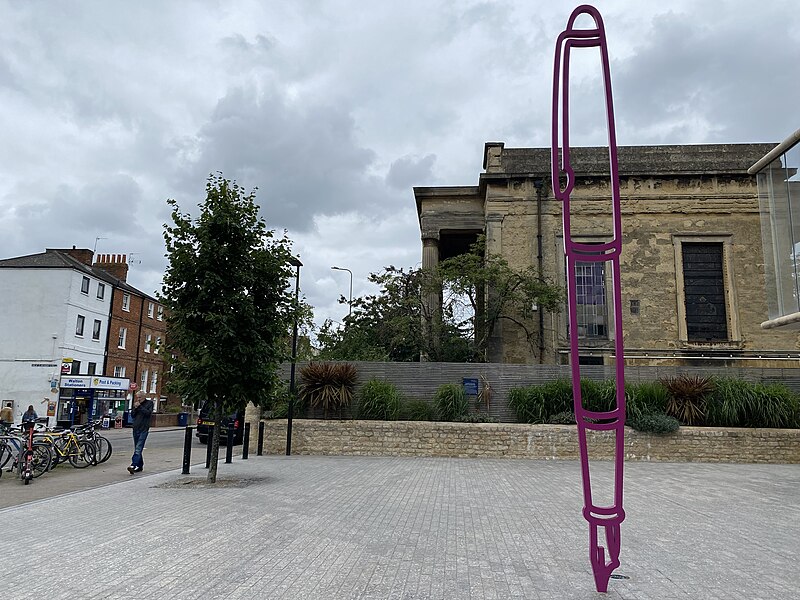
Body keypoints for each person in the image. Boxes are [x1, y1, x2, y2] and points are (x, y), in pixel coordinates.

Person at [128, 391, 154, 474]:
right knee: (137, 448)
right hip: (136, 428)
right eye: (137, 397)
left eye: (139, 397)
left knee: (139, 447)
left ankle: (133, 464)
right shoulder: (137, 404)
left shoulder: (149, 403)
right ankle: (140, 465)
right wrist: (135, 408)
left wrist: (140, 407)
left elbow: (148, 413)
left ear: (143, 397)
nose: (138, 399)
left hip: (144, 428)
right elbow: (132, 415)